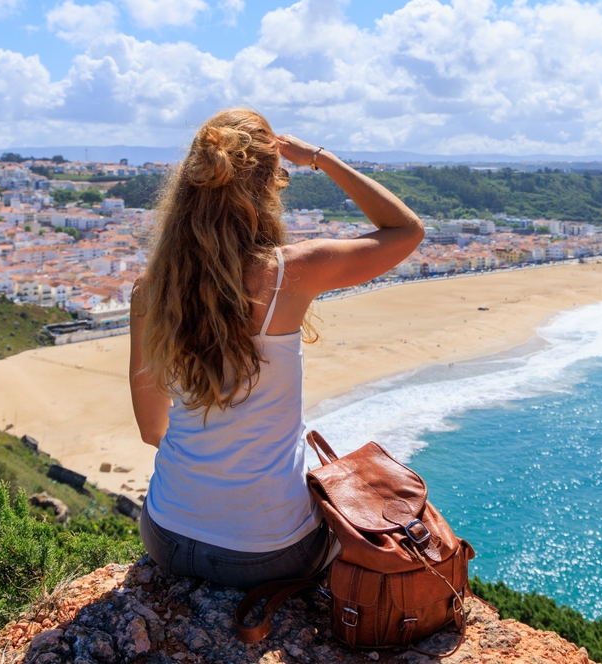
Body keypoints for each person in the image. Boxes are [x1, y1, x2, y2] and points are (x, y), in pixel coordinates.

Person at [129, 108, 424, 588]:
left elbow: (150, 429)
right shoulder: (291, 270)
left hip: (167, 535)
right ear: (268, 187)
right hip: (267, 553)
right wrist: (320, 158)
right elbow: (406, 230)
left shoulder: (150, 289)